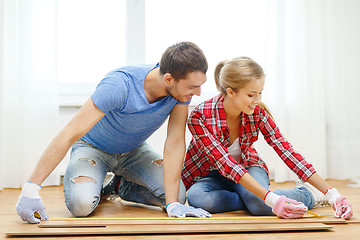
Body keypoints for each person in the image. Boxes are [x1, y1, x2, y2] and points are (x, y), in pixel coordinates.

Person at [16, 41, 212, 224]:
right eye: (193, 87)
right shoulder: (119, 85)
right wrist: (31, 188)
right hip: (92, 148)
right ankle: (92, 180)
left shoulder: (180, 92)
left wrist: (172, 205)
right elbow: (69, 133)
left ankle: (119, 186)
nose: (198, 93)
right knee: (81, 205)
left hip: (133, 151)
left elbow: (175, 142)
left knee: (177, 195)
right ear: (169, 79)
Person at [181, 57, 353, 219]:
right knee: (197, 198)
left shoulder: (258, 114)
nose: (257, 100)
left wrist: (332, 193)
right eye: (251, 95)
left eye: (260, 93)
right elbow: (225, 163)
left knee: (259, 203)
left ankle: (308, 194)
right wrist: (270, 199)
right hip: (211, 173)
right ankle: (252, 199)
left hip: (248, 167)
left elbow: (287, 151)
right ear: (231, 92)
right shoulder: (199, 116)